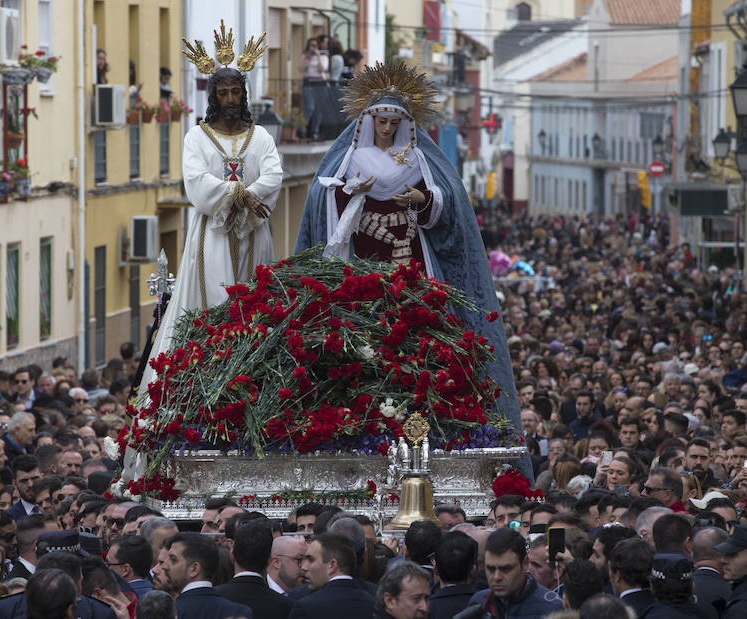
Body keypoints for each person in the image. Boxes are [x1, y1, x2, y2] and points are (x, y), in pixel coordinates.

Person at [294, 62, 526, 473]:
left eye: (392, 122)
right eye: (380, 121)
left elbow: (448, 201)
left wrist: (422, 200)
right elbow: (322, 201)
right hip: (363, 252)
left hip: (408, 251)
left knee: (416, 319)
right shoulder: (349, 156)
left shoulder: (418, 156)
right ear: (370, 121)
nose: (385, 129)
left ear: (404, 124)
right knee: (363, 319)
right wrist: (352, 193)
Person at [135, 62, 282, 400]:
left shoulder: (260, 136)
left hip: (253, 230)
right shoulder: (196, 137)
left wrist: (250, 195)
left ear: (244, 94)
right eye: (223, 92)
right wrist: (239, 193)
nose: (230, 99)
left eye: (236, 92)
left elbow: (274, 174)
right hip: (212, 234)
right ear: (213, 96)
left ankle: (250, 366)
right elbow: (197, 183)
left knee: (254, 298)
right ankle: (208, 366)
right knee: (214, 296)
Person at [458, 527, 562, 618]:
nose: (497, 577)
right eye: (490, 569)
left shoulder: (552, 607)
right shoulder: (479, 602)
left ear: (525, 564)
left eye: (506, 569)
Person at [160, 532, 252, 619]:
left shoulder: (167, 613)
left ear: (194, 569)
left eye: (173, 559)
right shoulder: (238, 612)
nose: (164, 566)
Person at [300, 37, 327, 141]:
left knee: (318, 109)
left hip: (320, 83)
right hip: (308, 83)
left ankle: (314, 131)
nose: (313, 48)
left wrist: (318, 56)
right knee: (309, 107)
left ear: (318, 47)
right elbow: (301, 69)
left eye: (315, 45)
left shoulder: (323, 57)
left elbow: (322, 69)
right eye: (311, 45)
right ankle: (302, 129)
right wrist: (307, 59)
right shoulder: (305, 56)